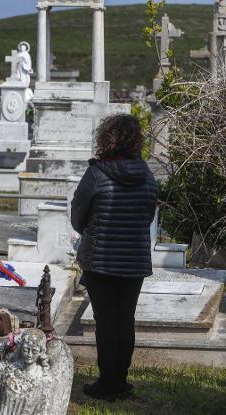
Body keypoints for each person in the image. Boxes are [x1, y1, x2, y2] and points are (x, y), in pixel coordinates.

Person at [71, 114, 157, 400]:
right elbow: (148, 213)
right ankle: (120, 379)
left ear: (106, 139)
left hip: (100, 260)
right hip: (134, 260)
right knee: (125, 320)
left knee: (106, 322)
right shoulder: (146, 173)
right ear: (135, 141)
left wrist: (90, 230)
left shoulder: (97, 173)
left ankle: (107, 382)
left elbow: (77, 213)